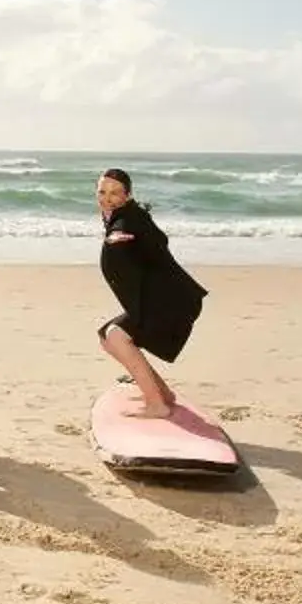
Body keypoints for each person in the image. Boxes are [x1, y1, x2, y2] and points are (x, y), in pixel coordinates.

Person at [96, 168, 206, 419]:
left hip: (170, 303)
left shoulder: (127, 220)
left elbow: (136, 234)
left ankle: (156, 404)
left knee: (116, 337)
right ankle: (162, 393)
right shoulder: (128, 215)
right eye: (102, 191)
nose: (107, 198)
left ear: (127, 195)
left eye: (115, 193)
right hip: (159, 299)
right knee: (106, 337)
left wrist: (116, 238)